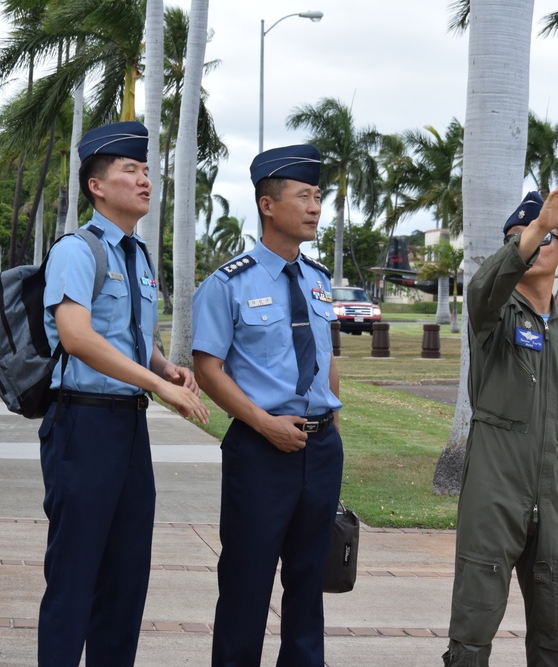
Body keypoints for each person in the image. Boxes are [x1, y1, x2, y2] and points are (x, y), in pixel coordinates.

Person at [37, 120, 209, 666]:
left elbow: (134, 341)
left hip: (129, 427)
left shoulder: (138, 255)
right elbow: (78, 336)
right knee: (75, 573)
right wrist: (159, 384)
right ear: (96, 185)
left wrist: (167, 368)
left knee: (127, 572)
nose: (145, 180)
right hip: (82, 425)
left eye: (146, 170)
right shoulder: (78, 249)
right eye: (131, 170)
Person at [192, 144, 343, 667]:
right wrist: (263, 424)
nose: (315, 207)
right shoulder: (227, 284)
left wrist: (333, 424)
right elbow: (207, 368)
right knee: (246, 586)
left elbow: (326, 357)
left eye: (318, 197)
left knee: (309, 586)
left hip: (320, 451)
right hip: (260, 451)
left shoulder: (320, 281)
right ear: (267, 205)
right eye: (303, 196)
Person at [444, 176, 558, 667]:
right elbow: (485, 283)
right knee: (475, 618)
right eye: (517, 239)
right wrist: (535, 229)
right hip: (495, 484)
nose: (527, 244)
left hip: (550, 491)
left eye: (542, 237)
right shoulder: (494, 313)